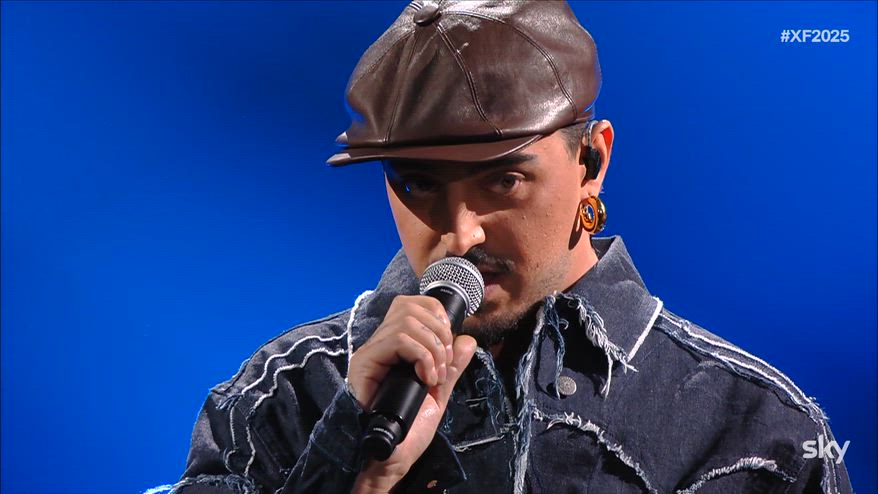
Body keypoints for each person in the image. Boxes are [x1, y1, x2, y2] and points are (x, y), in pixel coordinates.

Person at [172, 2, 852, 493]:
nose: (461, 233)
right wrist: (355, 473)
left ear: (592, 161)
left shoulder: (757, 433)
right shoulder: (281, 398)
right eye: (417, 183)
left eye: (503, 180)